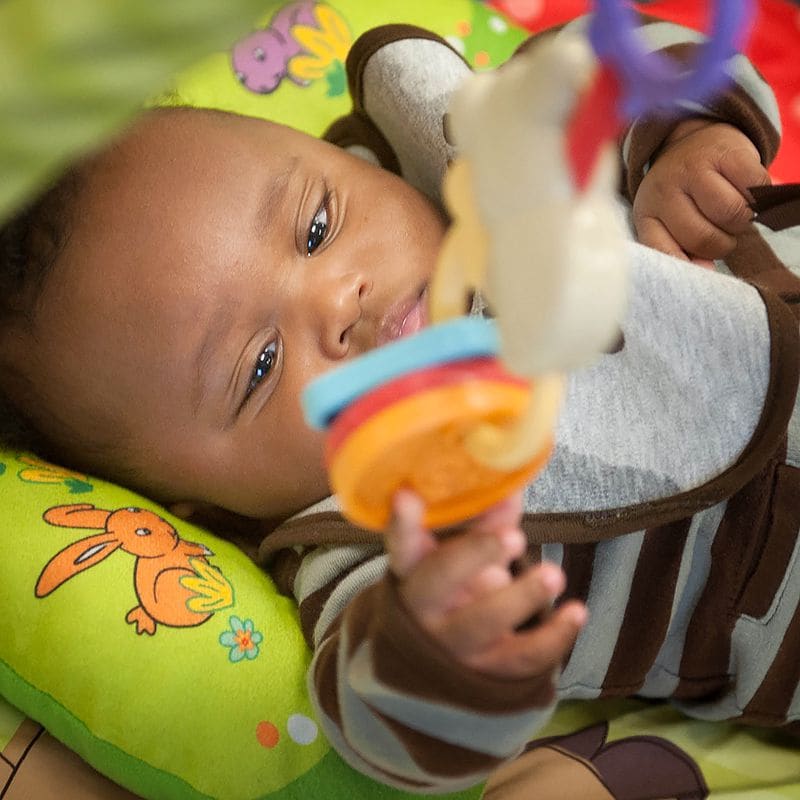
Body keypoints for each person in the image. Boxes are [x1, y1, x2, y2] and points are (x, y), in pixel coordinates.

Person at [0, 16, 796, 795]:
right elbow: (386, 718)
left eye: (316, 226)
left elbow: (608, 57)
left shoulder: (486, 151)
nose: (337, 301)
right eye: (262, 366)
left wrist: (684, 142)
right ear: (207, 508)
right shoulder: (374, 554)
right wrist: (439, 652)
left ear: (347, 161)